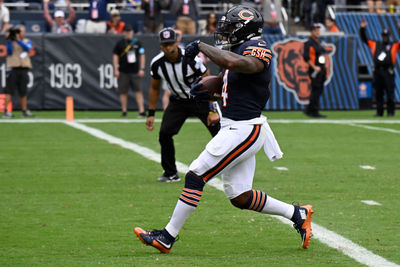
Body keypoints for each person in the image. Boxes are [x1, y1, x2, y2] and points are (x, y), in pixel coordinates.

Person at [134, 5, 313, 253]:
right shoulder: (236, 50)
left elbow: (243, 65)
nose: (226, 33)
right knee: (240, 196)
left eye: (229, 28)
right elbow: (231, 81)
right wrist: (207, 89)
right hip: (236, 126)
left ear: (244, 29)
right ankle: (297, 213)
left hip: (245, 128)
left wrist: (201, 46)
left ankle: (167, 236)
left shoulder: (256, 47)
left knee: (196, 174)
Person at [145, 27, 220, 182]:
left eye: (171, 43)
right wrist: (151, 113)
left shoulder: (191, 58)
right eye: (165, 44)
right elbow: (154, 88)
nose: (168, 47)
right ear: (160, 45)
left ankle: (227, 168)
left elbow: (209, 80)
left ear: (176, 42)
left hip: (200, 100)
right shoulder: (157, 63)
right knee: (164, 134)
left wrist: (212, 109)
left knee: (220, 134)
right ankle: (170, 173)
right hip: (178, 100)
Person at [360, 19, 399, 117]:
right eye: (384, 36)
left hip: (388, 71)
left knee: (390, 92)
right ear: (382, 36)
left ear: (389, 36)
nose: (385, 37)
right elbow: (364, 39)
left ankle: (390, 112)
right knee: (378, 93)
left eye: (386, 36)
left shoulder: (394, 45)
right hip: (378, 71)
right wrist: (362, 29)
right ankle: (379, 112)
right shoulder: (376, 44)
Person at [112, 24, 146, 117]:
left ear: (132, 32)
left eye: (130, 31)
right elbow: (115, 56)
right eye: (127, 31)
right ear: (124, 32)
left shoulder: (137, 43)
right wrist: (116, 69)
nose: (128, 33)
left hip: (135, 71)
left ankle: (141, 111)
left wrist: (142, 68)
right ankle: (124, 110)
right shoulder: (120, 43)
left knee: (138, 91)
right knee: (123, 92)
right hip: (123, 71)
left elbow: (142, 55)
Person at [2, 25, 35, 118]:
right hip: (13, 68)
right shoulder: (10, 42)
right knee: (9, 91)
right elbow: (9, 52)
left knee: (23, 91)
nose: (19, 33)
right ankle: (6, 111)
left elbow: (27, 48)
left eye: (21, 31)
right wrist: (10, 39)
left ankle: (24, 110)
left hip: (24, 68)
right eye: (18, 31)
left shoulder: (26, 41)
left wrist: (18, 40)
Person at [303, 23, 328, 118]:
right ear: (311, 32)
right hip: (315, 70)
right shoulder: (309, 43)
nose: (317, 32)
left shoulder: (319, 42)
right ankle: (314, 111)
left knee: (318, 90)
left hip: (321, 69)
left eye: (318, 30)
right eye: (315, 30)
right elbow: (306, 57)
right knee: (316, 90)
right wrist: (314, 67)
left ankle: (309, 109)